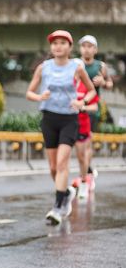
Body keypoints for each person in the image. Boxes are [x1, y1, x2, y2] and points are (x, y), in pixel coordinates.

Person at [26, 30, 95, 225]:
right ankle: (65, 194)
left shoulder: (77, 67)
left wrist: (82, 102)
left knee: (62, 163)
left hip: (69, 120)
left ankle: (57, 208)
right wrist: (39, 97)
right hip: (49, 119)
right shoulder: (44, 67)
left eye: (63, 43)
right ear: (51, 47)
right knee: (53, 168)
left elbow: (91, 91)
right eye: (55, 43)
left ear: (70, 47)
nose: (58, 46)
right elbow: (29, 92)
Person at [78, 34, 113, 188]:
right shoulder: (75, 64)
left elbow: (110, 84)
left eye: (90, 46)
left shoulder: (100, 66)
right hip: (75, 108)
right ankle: (87, 169)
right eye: (84, 46)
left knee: (87, 142)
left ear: (95, 49)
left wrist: (103, 82)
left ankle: (86, 174)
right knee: (78, 145)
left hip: (92, 109)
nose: (86, 49)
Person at [73, 78, 99, 200]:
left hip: (84, 122)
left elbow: (95, 106)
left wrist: (82, 107)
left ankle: (86, 178)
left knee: (83, 154)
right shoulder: (66, 81)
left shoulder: (86, 84)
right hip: (67, 123)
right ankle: (85, 175)